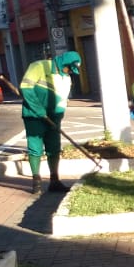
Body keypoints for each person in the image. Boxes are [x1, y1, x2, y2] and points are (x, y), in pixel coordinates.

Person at [20, 50, 82, 194]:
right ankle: (36, 181)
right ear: (63, 63)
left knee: (54, 148)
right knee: (35, 148)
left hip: (53, 118)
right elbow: (26, 88)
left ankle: (54, 181)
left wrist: (58, 118)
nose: (70, 72)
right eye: (69, 69)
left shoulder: (66, 79)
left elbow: (62, 101)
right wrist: (39, 109)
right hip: (34, 116)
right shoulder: (39, 66)